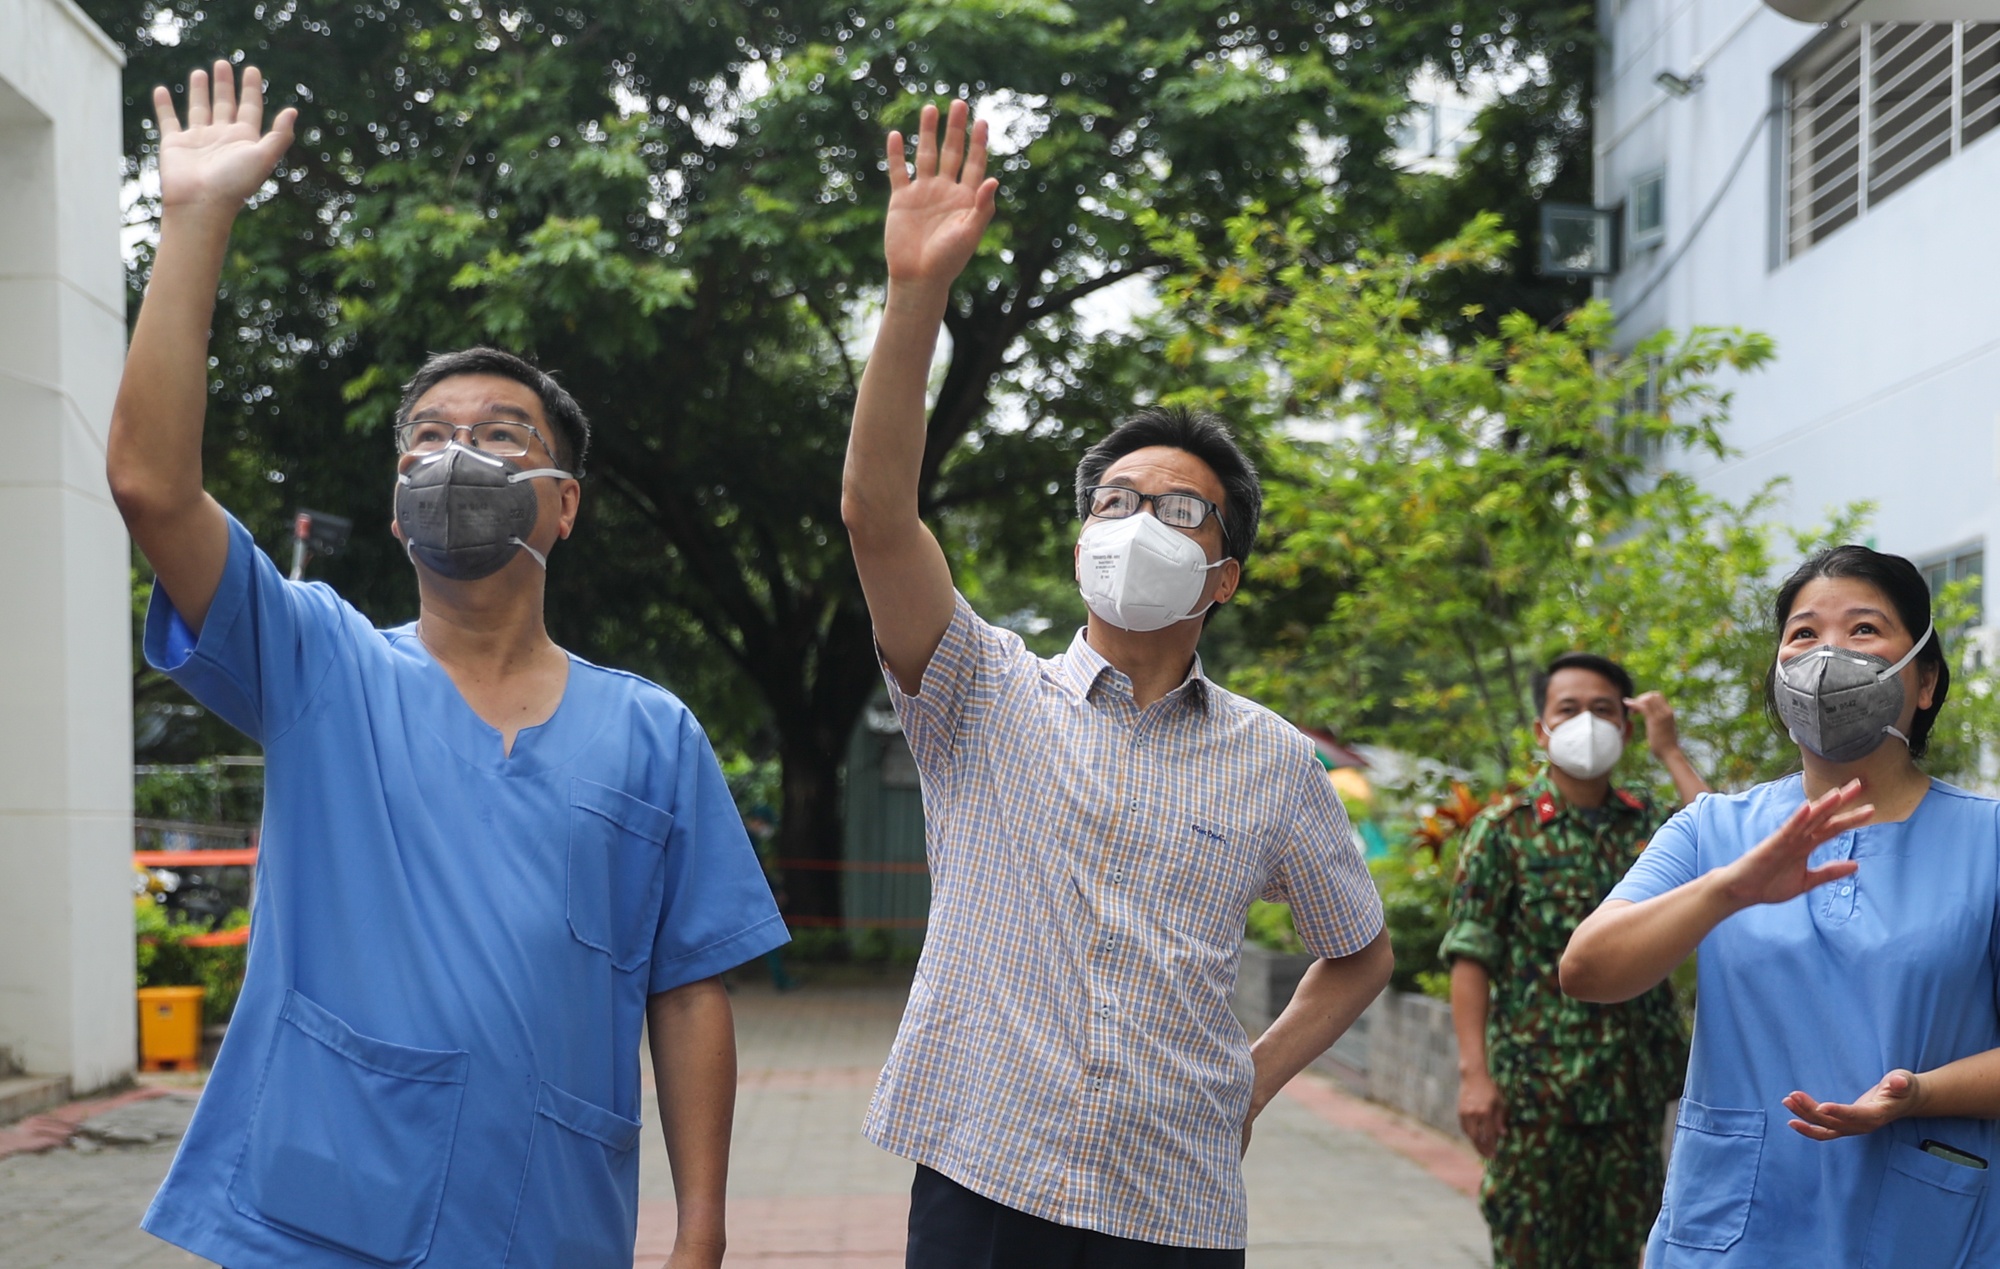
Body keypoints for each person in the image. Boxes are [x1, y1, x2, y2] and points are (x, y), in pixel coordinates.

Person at [109, 63, 786, 1269]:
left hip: (554, 1221)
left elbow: (688, 990)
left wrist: (701, 1235)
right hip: (317, 1214)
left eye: (498, 435)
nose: (456, 454)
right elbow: (153, 486)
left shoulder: (650, 733)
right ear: (397, 496)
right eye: (428, 438)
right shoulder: (319, 664)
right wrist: (197, 217)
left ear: (563, 504)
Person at [840, 100, 1392, 1267]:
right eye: (1115, 500)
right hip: (982, 1171)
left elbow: (1359, 954)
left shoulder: (1275, 760)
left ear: (1222, 574)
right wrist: (914, 298)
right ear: (1079, 541)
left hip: (1172, 1203)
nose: (1140, 521)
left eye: (1178, 509)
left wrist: (1250, 1081)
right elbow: (877, 513)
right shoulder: (976, 689)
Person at [1562, 545, 2000, 1266]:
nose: (1828, 654)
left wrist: (1918, 1093)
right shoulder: (1712, 830)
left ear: (1925, 680)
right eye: (1803, 633)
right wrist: (1728, 889)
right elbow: (1587, 969)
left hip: (1924, 1225)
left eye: (1863, 629)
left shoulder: (1985, 840)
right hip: (1735, 1228)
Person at [1443, 654, 1711, 1268]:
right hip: (1536, 1096)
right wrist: (1474, 1075)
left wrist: (1670, 750)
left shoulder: (1650, 825)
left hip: (1631, 1092)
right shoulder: (1502, 832)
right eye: (1568, 709)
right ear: (1542, 728)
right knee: (1530, 1252)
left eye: (1603, 710)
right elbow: (1471, 955)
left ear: (1625, 726)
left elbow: (1730, 853)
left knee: (1624, 1254)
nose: (1585, 722)